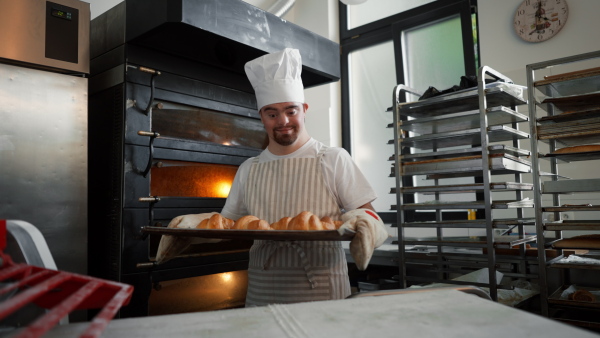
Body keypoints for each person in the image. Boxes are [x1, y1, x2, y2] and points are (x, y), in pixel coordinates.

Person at [157, 48, 389, 307]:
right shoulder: (249, 168)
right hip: (263, 290)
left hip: (322, 290)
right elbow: (229, 225)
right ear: (262, 117)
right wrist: (187, 229)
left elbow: (367, 214)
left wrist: (363, 223)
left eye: (291, 111)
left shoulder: (332, 158)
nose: (283, 121)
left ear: (304, 109)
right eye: (272, 113)